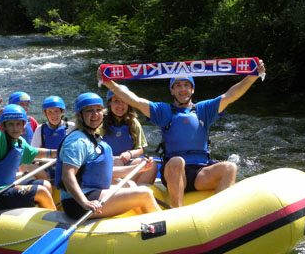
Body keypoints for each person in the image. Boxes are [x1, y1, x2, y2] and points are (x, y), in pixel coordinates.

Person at [98, 60, 266, 207]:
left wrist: (252, 76)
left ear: (192, 89)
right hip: (174, 170)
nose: (182, 89)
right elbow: (136, 100)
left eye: (186, 85)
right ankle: (176, 213)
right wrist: (110, 84)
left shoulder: (204, 109)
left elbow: (230, 95)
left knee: (230, 167)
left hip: (201, 172)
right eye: (177, 86)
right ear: (172, 90)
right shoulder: (163, 111)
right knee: (177, 161)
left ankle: (218, 212)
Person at [56, 92, 160, 220]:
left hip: (91, 191)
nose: (95, 114)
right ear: (79, 115)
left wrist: (139, 169)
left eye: (98, 110)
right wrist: (84, 202)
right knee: (145, 193)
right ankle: (166, 230)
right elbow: (68, 176)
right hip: (77, 202)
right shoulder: (77, 142)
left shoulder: (92, 137)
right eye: (89, 111)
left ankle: (142, 223)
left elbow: (102, 172)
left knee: (131, 185)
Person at [0, 96, 56, 210]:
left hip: (9, 186)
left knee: (45, 185)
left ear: (23, 126)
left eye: (18, 124)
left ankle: (41, 216)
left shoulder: (20, 142)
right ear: (3, 126)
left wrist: (57, 152)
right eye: (11, 124)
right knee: (41, 191)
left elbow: (36, 152)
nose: (15, 128)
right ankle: (54, 222)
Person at [99, 87, 158, 185]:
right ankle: (120, 192)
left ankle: (138, 194)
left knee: (152, 165)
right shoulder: (101, 121)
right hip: (106, 165)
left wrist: (129, 154)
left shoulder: (133, 122)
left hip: (127, 163)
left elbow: (140, 149)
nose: (120, 105)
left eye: (124, 101)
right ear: (110, 103)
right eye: (116, 101)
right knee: (117, 161)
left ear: (129, 103)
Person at [31, 95, 74, 181]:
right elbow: (33, 153)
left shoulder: (71, 127)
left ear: (63, 111)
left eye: (56, 111)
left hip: (66, 168)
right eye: (50, 112)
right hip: (47, 168)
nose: (53, 115)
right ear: (45, 113)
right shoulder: (40, 129)